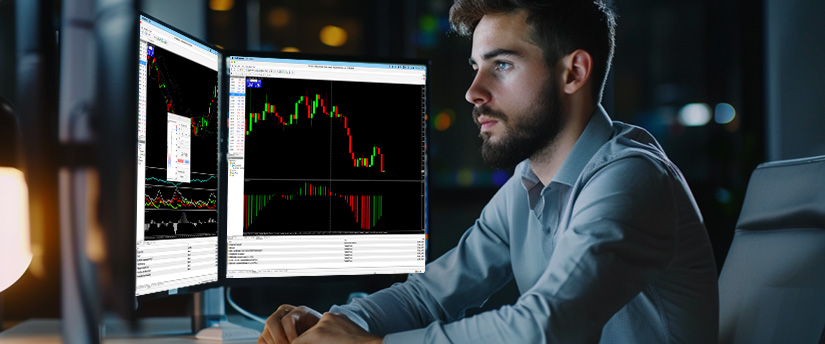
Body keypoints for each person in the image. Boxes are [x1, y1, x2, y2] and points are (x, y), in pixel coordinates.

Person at [258, 0, 719, 343]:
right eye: (476, 67)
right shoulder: (527, 186)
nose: (473, 92)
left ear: (573, 73)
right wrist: (334, 325)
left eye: (501, 65)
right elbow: (428, 297)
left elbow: (546, 326)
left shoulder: (632, 178)